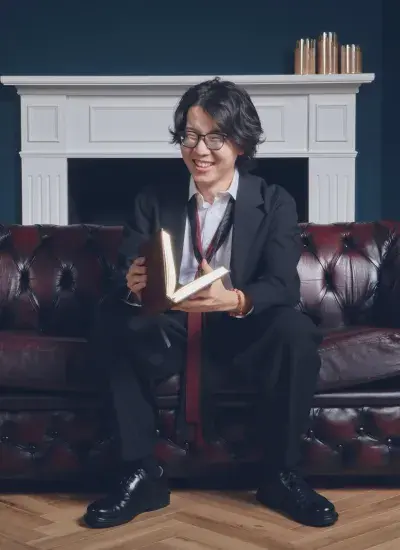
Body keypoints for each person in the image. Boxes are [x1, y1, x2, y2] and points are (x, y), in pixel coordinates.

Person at [84, 77, 338, 529]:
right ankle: (141, 473)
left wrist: (237, 299)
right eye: (190, 136)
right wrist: (132, 283)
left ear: (240, 142)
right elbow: (123, 275)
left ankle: (281, 474)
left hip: (238, 326)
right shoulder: (151, 199)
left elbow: (282, 285)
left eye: (214, 137)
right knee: (111, 320)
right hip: (169, 326)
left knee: (295, 332)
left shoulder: (274, 201)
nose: (199, 150)